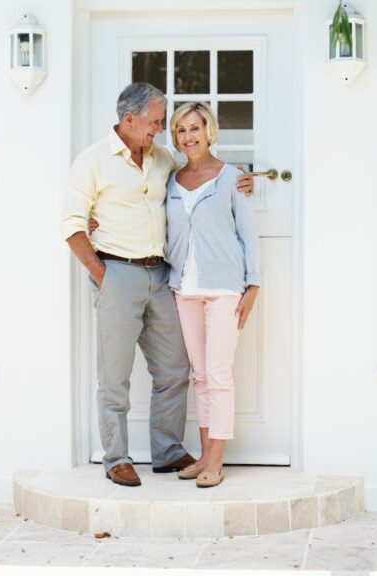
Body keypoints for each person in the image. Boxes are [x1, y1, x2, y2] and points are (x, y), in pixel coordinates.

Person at [60, 83, 253, 487]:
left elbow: (201, 172)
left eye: (165, 122)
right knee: (114, 374)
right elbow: (72, 225)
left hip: (165, 274)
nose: (162, 130)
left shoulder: (162, 158)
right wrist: (103, 275)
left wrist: (241, 180)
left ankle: (167, 451)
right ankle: (116, 457)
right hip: (118, 273)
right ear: (128, 120)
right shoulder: (92, 161)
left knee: (175, 368)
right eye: (155, 122)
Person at [163, 102, 261, 488]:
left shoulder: (232, 178)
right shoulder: (170, 181)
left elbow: (248, 235)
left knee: (218, 375)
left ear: (209, 131)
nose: (189, 136)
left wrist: (252, 286)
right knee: (200, 375)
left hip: (224, 288)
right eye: (181, 130)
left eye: (194, 128)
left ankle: (216, 461)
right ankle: (204, 455)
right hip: (184, 288)